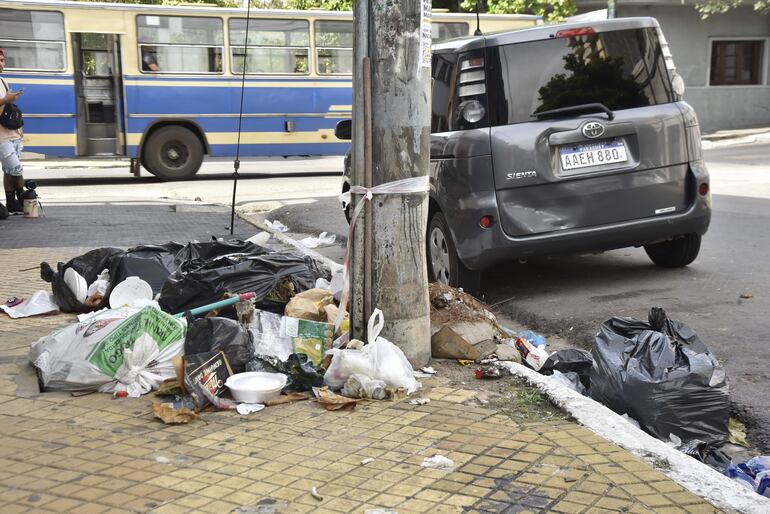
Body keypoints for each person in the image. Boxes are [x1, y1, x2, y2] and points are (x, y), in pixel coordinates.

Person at [0, 47, 24, 217]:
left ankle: (11, 203)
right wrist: (5, 99)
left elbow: (8, 107)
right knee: (16, 169)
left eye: (2, 60)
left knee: (8, 171)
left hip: (12, 133)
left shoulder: (3, 81)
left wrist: (18, 127)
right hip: (1, 137)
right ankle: (23, 197)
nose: (2, 64)